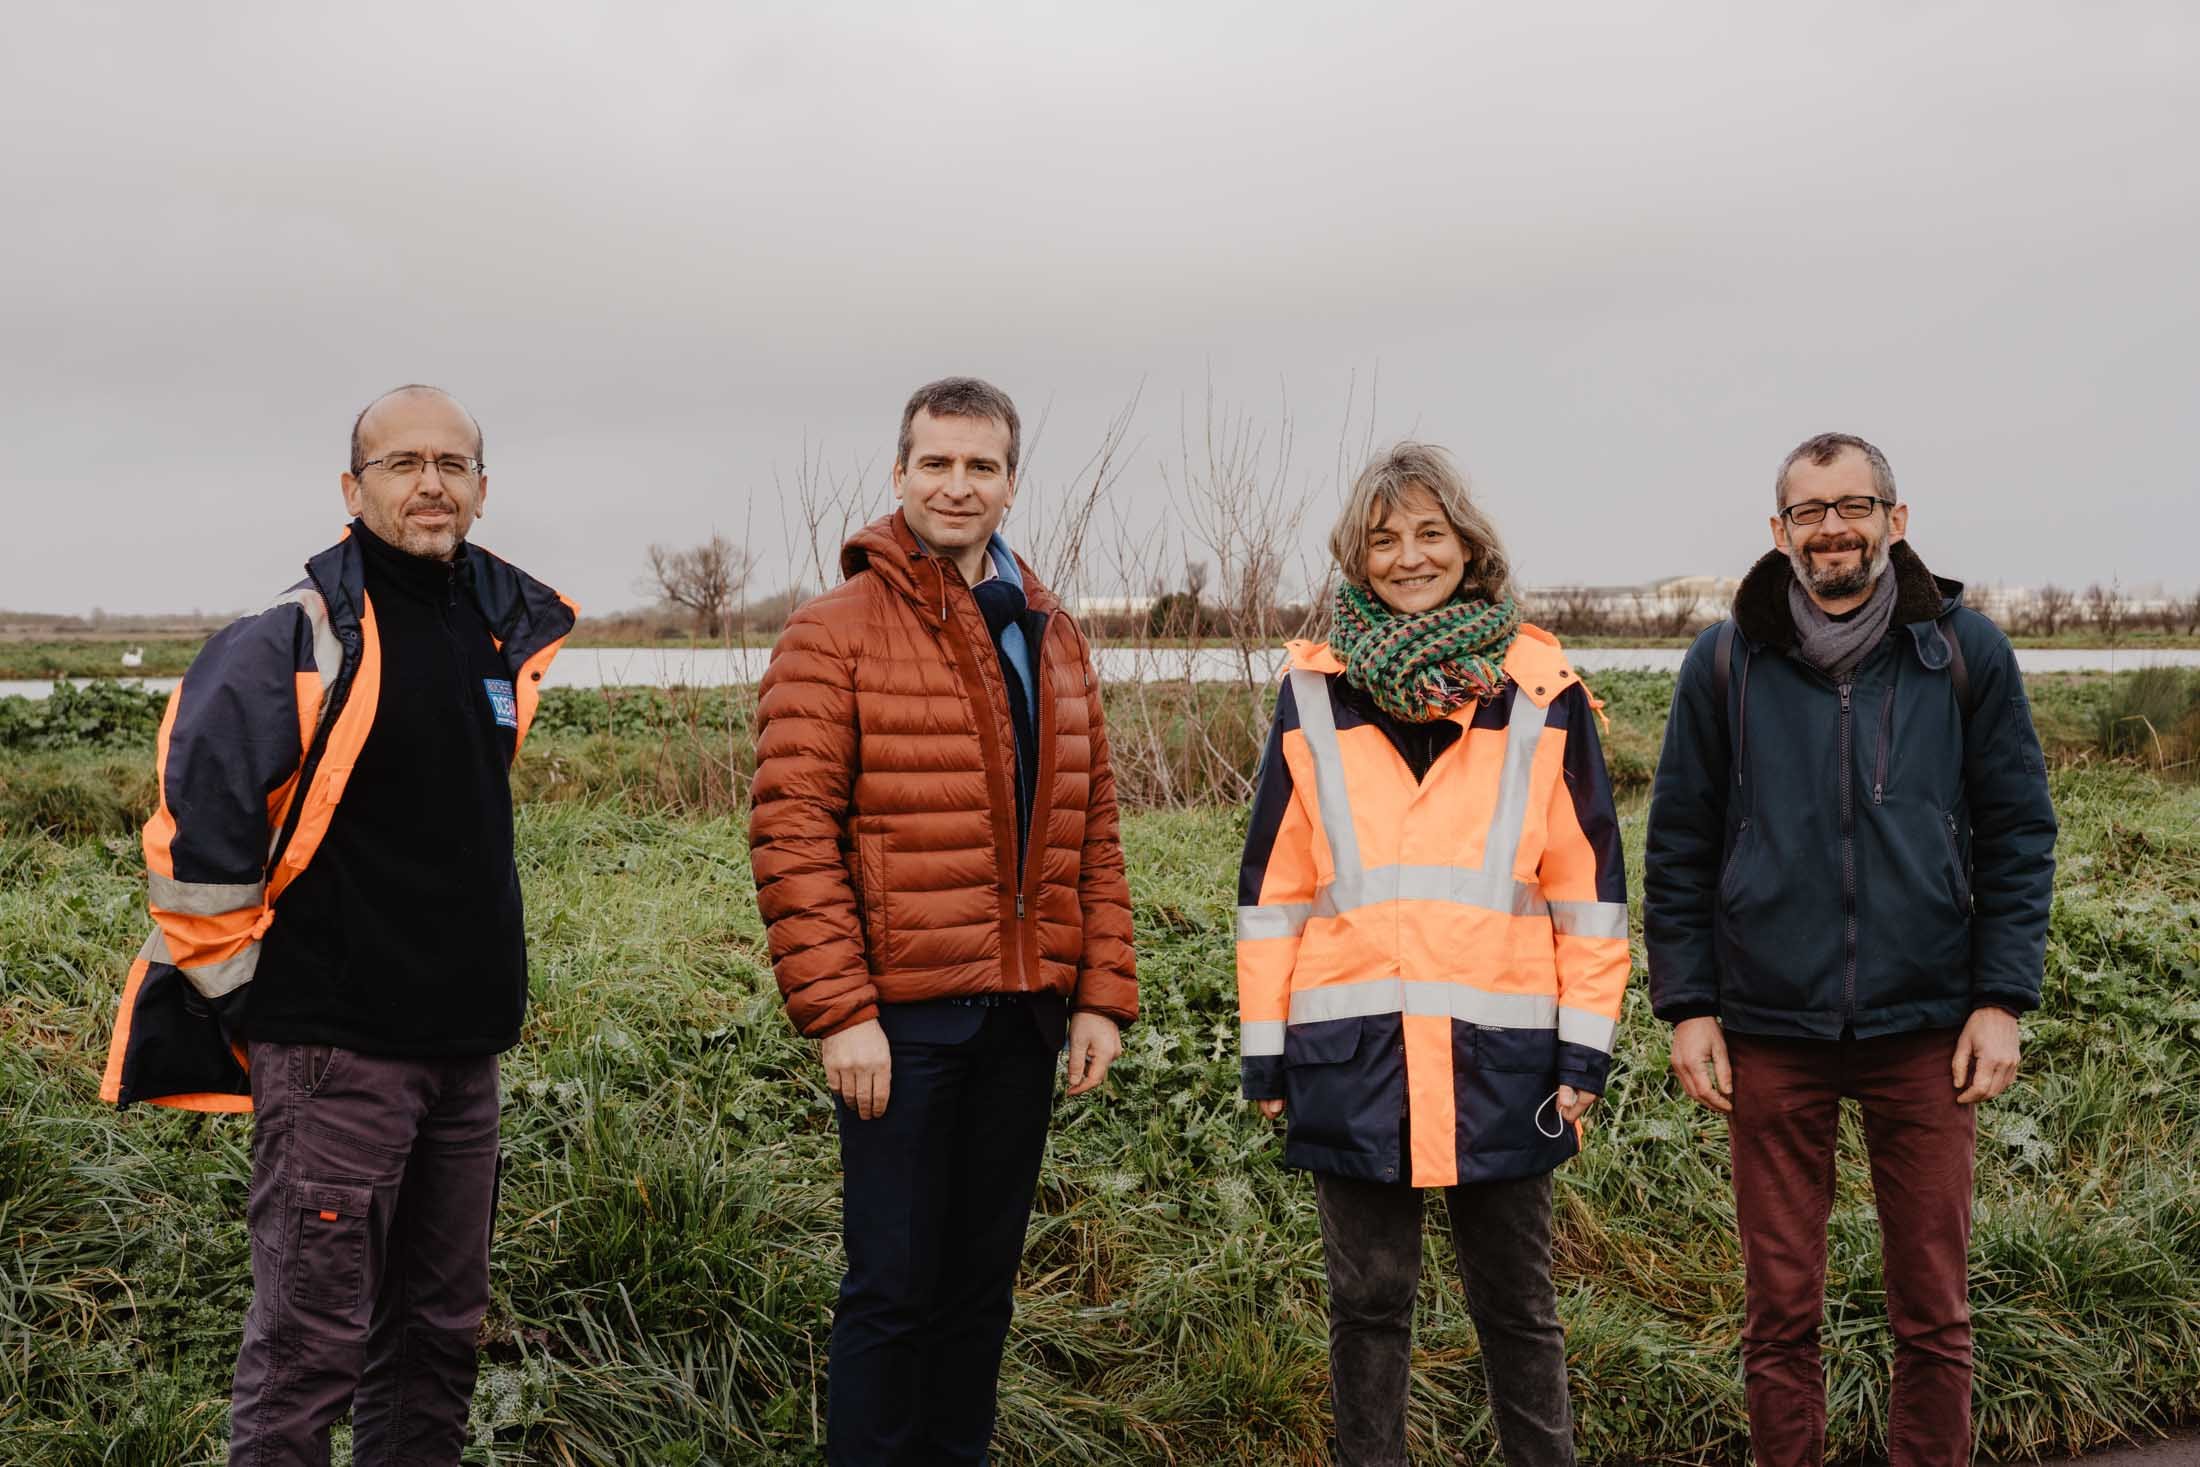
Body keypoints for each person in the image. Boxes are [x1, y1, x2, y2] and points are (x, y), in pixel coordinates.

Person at [99, 385, 577, 1466]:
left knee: (437, 1339)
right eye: (402, 463)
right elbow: (198, 831)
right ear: (352, 489)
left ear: (483, 488)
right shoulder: (293, 637)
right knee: (307, 1350)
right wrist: (254, 1001)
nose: (430, 484)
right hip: (335, 1054)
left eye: (452, 464)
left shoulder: (495, 625)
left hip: (465, 1051)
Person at [1644, 432, 2057, 1467]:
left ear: (1894, 520)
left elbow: (2018, 833)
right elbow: (1680, 843)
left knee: (1934, 1309)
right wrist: (1688, 1005)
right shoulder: (1724, 661)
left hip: (1928, 1029)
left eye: (1853, 506)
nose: (1832, 527)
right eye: (1809, 510)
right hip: (1769, 1027)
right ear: (1779, 530)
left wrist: (2000, 998)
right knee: (1779, 1313)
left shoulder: (1963, 653)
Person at [749, 375, 1138, 1465]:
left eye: (980, 466)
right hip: (902, 1024)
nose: (956, 485)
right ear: (900, 473)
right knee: (892, 1289)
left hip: (1025, 1015)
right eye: (936, 463)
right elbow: (791, 832)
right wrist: (840, 1012)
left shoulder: (1051, 633)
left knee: (979, 1294)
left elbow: (1093, 825)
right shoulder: (832, 632)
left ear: (1011, 484)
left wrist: (1101, 993)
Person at [1236, 443, 1628, 1467]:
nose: (1408, 556)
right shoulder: (1311, 690)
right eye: (1383, 539)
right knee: (1367, 1306)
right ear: (1356, 558)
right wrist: (1266, 1054)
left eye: (1428, 533)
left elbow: (1588, 896)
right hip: (1351, 1053)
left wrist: (1584, 1052)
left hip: (1504, 1061)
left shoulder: (1543, 690)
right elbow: (1274, 893)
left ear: (1467, 545)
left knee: (1518, 1306)